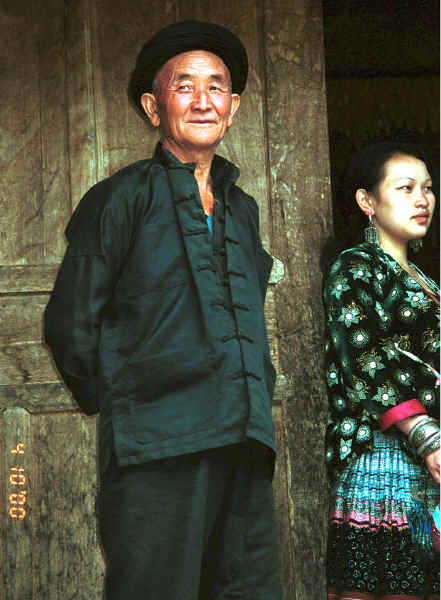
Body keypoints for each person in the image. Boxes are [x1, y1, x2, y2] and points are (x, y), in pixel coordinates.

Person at [44, 20, 282, 600]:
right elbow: (69, 324)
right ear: (154, 107)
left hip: (243, 440)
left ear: (234, 107)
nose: (203, 100)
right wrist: (130, 396)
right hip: (156, 448)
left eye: (217, 87)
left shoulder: (242, 208)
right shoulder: (120, 198)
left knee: (244, 589)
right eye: (184, 86)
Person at [323, 142, 440, 600]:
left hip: (428, 467)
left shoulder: (427, 281)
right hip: (382, 457)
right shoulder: (355, 269)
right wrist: (426, 435)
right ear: (367, 202)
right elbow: (366, 364)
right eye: (406, 188)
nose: (422, 199)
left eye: (428, 189)